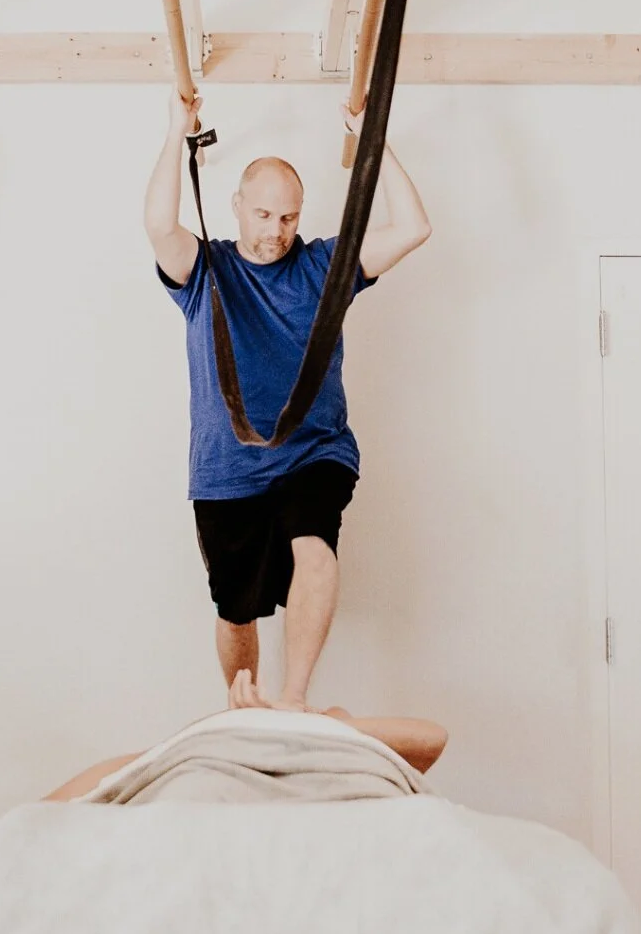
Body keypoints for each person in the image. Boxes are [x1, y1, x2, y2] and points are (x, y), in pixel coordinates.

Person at [143, 91, 433, 711]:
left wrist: (370, 138)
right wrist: (176, 131)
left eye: (288, 218)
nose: (275, 231)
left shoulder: (323, 265)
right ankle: (242, 707)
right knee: (235, 610)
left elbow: (414, 228)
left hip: (313, 453)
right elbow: (160, 225)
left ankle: (295, 700)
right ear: (238, 208)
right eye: (264, 214)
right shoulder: (206, 271)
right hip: (226, 471)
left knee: (314, 548)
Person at [42, 674, 449, 801]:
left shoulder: (365, 754)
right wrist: (249, 723)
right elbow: (48, 810)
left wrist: (292, 721)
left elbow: (432, 738)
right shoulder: (206, 736)